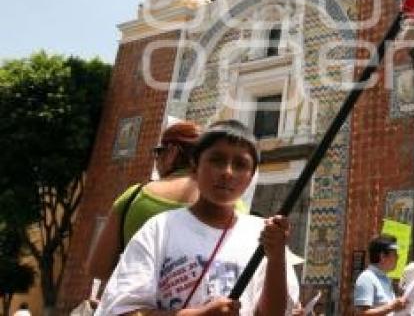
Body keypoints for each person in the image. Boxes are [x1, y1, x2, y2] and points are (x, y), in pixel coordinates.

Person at [95, 119, 298, 315]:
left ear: (251, 175)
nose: (227, 172)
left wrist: (277, 257)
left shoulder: (260, 234)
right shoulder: (159, 228)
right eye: (216, 160)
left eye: (240, 165)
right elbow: (122, 310)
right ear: (195, 165)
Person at [88, 120, 203, 283]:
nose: (156, 162)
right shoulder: (230, 206)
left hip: (137, 307)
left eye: (158, 152)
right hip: (202, 307)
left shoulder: (135, 196)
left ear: (172, 152)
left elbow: (98, 268)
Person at [353, 235, 407, 315]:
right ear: (382, 256)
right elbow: (362, 314)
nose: (397, 258)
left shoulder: (385, 279)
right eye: (394, 254)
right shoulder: (367, 278)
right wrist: (391, 307)